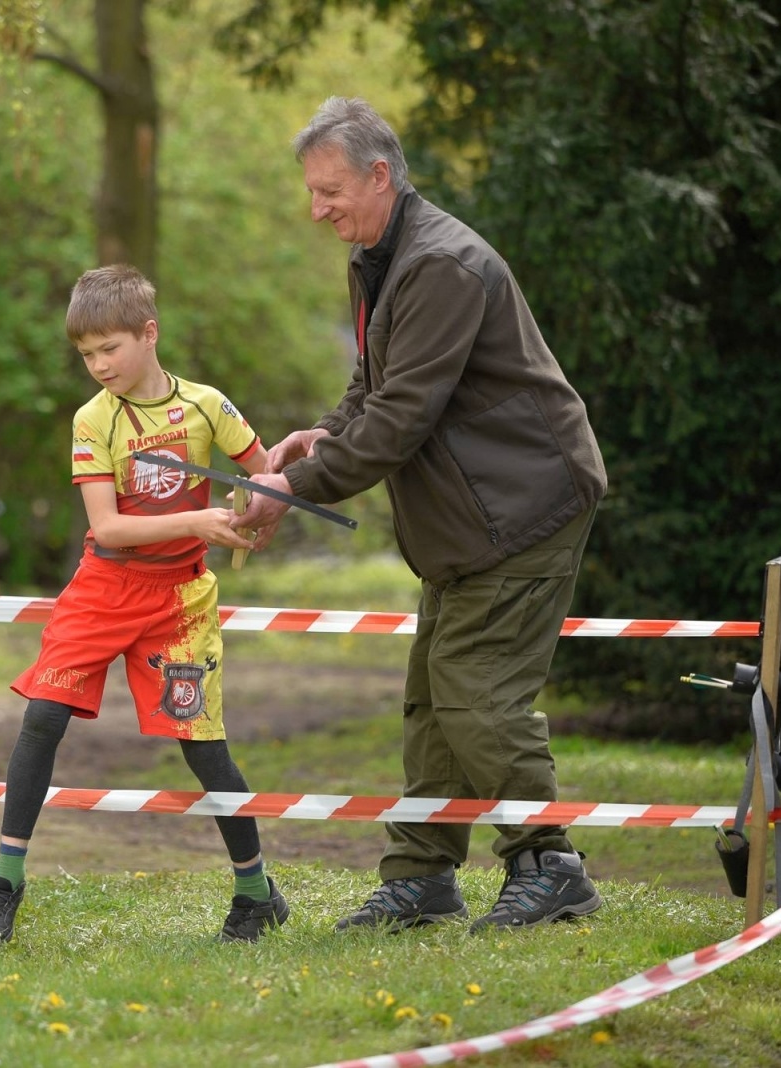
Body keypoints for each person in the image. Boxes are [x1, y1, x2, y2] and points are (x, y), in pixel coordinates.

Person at [231, 97, 609, 934]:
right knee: (434, 702)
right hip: (464, 521)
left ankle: (550, 867)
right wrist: (321, 436)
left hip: (522, 505)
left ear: (380, 176)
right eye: (312, 192)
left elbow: (402, 418)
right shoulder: (380, 256)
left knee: (476, 694)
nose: (317, 209)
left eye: (330, 191)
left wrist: (293, 489)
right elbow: (373, 387)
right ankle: (422, 878)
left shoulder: (441, 264)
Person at [0, 264, 287, 950]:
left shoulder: (207, 405)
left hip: (180, 601)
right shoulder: (92, 419)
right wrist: (197, 521)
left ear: (149, 333)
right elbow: (108, 529)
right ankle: (4, 882)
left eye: (109, 349)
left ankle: (257, 892)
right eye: (86, 355)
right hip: (104, 587)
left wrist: (259, 509)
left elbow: (265, 475)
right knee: (42, 716)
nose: (99, 365)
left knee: (202, 747)